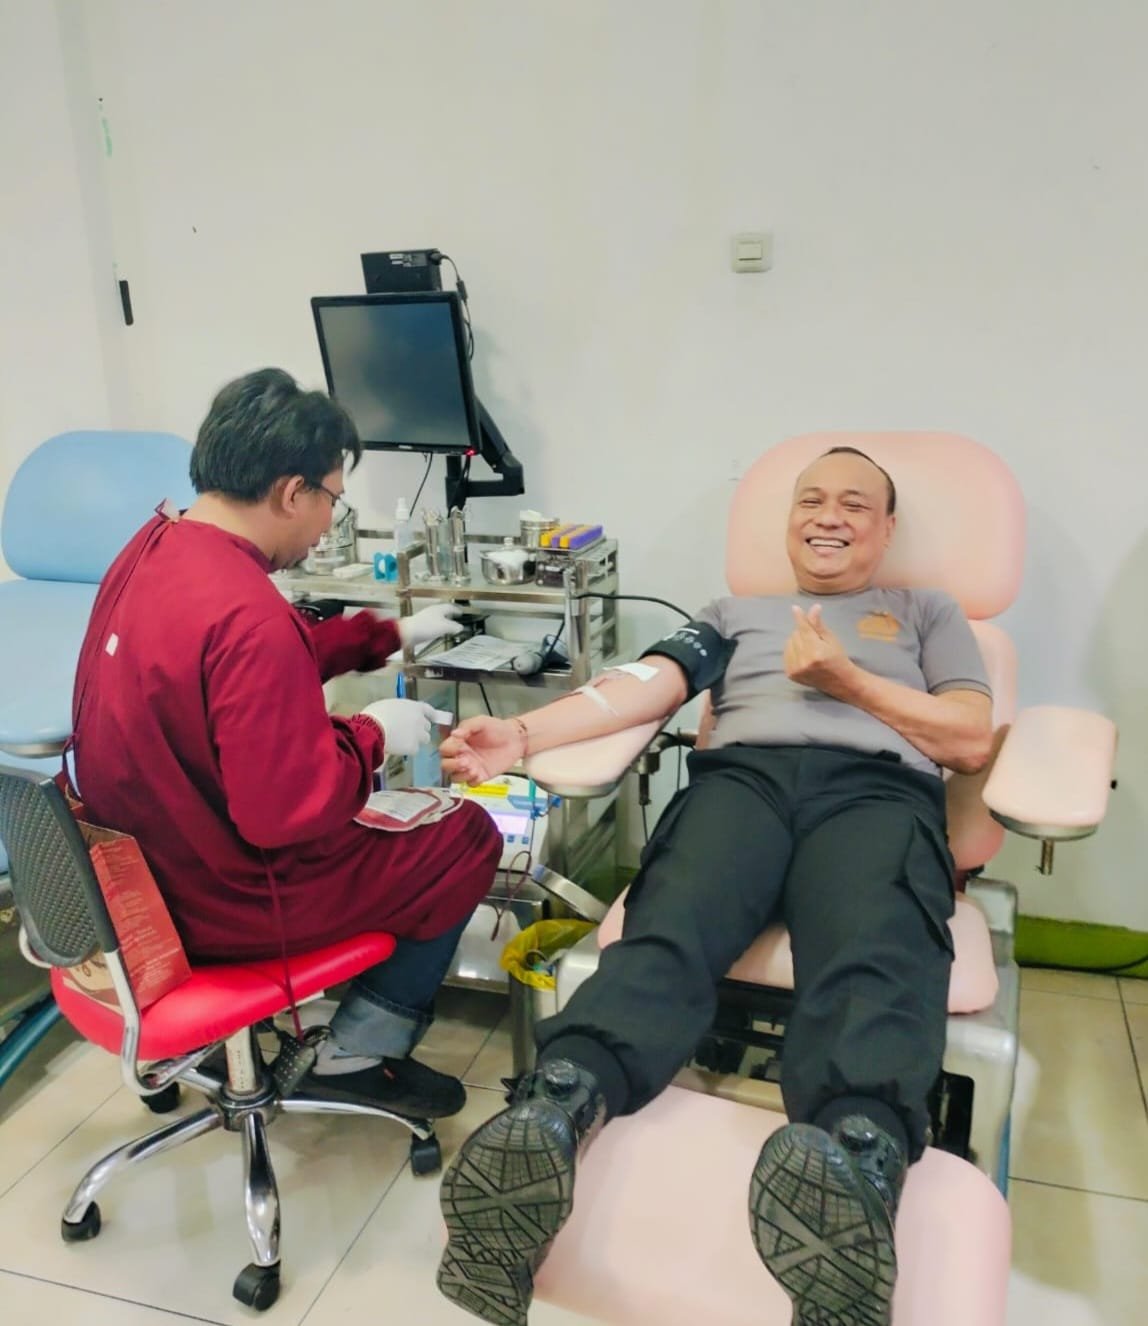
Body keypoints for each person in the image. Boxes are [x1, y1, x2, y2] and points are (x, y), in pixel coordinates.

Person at [434, 447, 993, 1325]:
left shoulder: (926, 612)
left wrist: (847, 681)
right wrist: (522, 734)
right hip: (744, 784)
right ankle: (557, 1112)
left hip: (877, 794)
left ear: (887, 529)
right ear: (789, 521)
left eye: (855, 504)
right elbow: (641, 687)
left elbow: (967, 737)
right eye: (811, 499)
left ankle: (855, 1172)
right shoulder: (732, 614)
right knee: (670, 930)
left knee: (875, 951)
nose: (829, 516)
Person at [71, 368, 502, 1119]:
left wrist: (384, 635)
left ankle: (287, 1033)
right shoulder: (248, 614)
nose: (329, 524)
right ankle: (353, 1053)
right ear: (291, 492)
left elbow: (242, 666)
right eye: (334, 499)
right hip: (221, 901)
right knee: (462, 834)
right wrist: (371, 735)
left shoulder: (152, 550)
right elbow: (284, 814)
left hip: (135, 886)